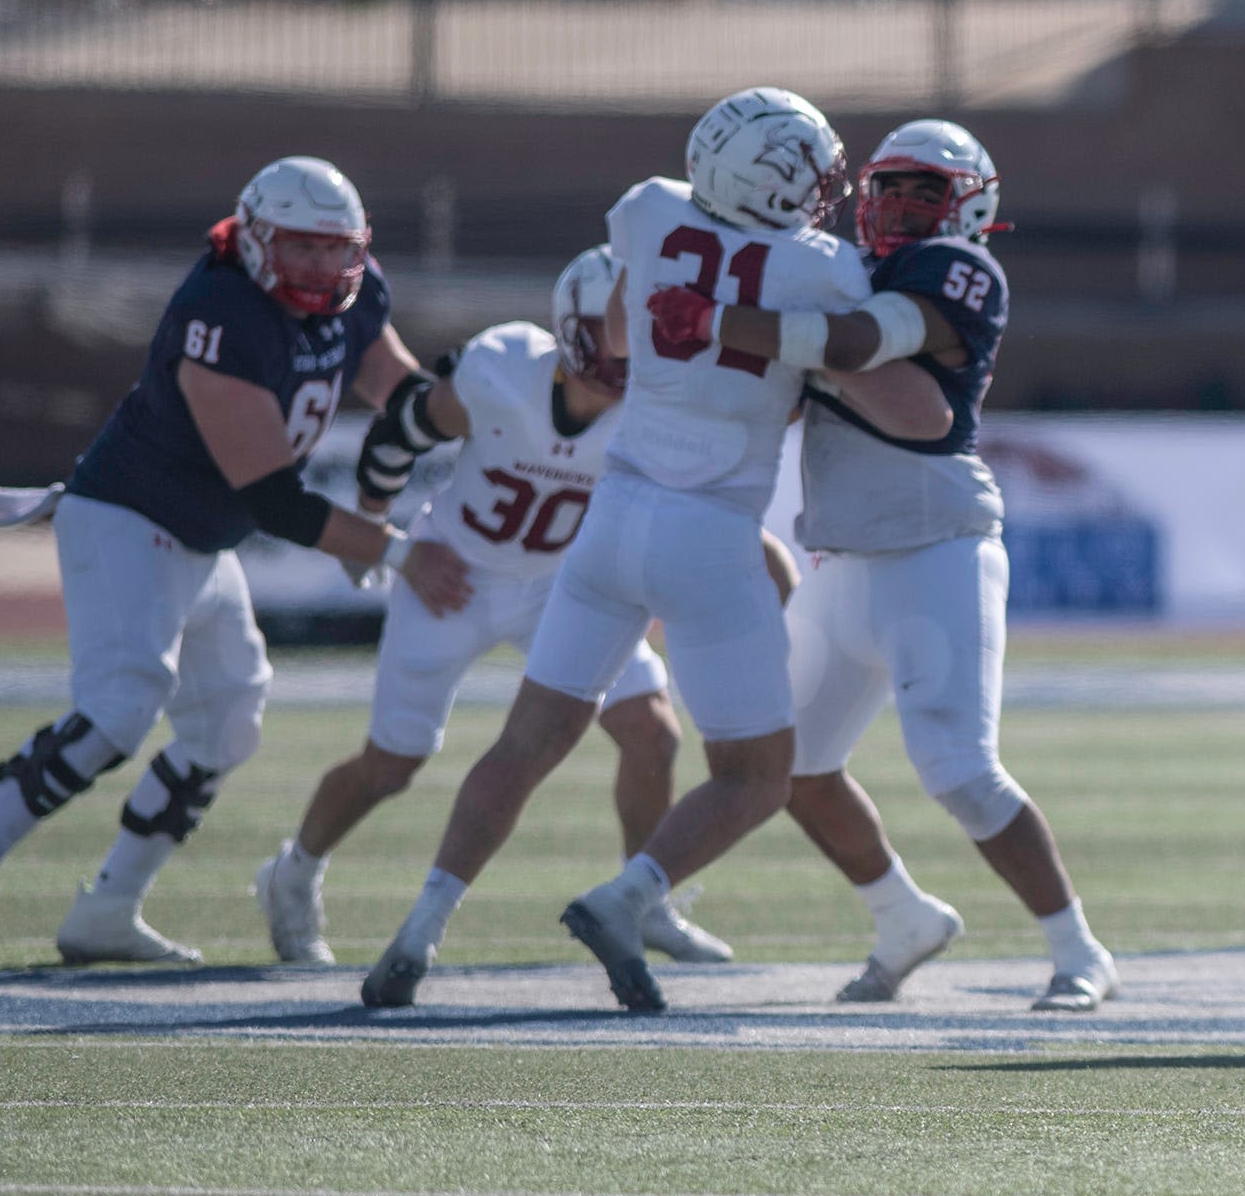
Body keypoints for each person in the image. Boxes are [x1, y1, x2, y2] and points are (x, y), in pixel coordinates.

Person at [360, 87, 946, 1011]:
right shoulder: (826, 271)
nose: (829, 185)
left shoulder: (647, 210)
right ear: (773, 176)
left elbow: (629, 332)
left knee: (525, 742)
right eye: (814, 168)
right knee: (757, 778)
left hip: (612, 518)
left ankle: (420, 929)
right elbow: (916, 409)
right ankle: (626, 898)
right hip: (711, 531)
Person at [0, 157, 469, 967]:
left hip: (205, 534)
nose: (319, 265)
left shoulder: (358, 289)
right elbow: (276, 498)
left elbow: (402, 394)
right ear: (255, 237)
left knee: (229, 720)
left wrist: (480, 404)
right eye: (300, 246)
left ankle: (108, 910)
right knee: (120, 708)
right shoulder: (220, 309)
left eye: (333, 247)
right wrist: (396, 552)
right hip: (128, 519)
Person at [707, 120, 1117, 1012]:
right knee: (794, 767)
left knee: (962, 771)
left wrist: (751, 325)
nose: (899, 207)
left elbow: (892, 389)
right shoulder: (842, 277)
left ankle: (1078, 949)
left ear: (971, 206)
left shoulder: (955, 272)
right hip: (841, 559)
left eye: (926, 192)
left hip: (936, 548)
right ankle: (902, 917)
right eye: (888, 187)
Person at [252, 246, 752, 969]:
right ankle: (293, 869)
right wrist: (383, 533)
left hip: (564, 588)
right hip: (454, 575)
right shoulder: (503, 368)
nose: (623, 354)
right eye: (608, 334)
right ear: (570, 330)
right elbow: (401, 431)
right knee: (393, 765)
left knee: (653, 732)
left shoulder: (658, 411)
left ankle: (644, 903)